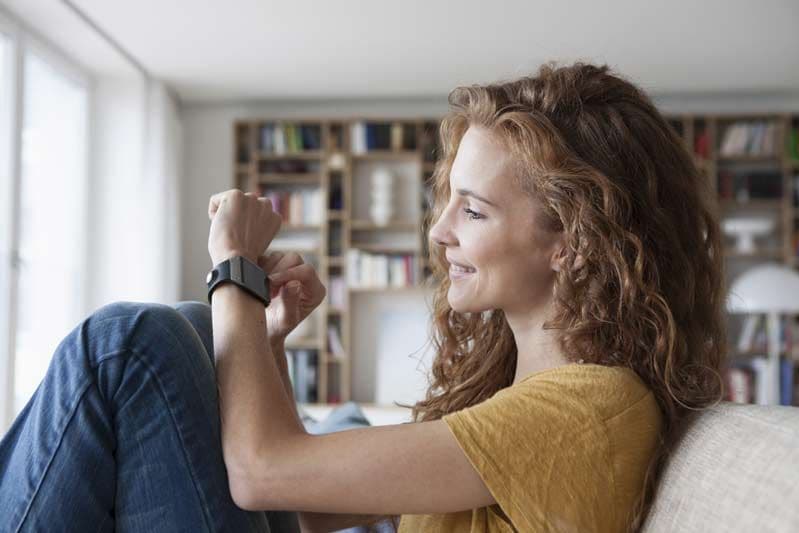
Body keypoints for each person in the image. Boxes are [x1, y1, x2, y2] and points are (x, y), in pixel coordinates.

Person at [0, 60, 726, 533]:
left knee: (131, 345)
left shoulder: (584, 410)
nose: (439, 231)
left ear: (569, 239)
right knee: (187, 331)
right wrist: (270, 339)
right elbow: (307, 506)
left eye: (472, 210)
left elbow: (261, 474)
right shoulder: (526, 394)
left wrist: (234, 271)